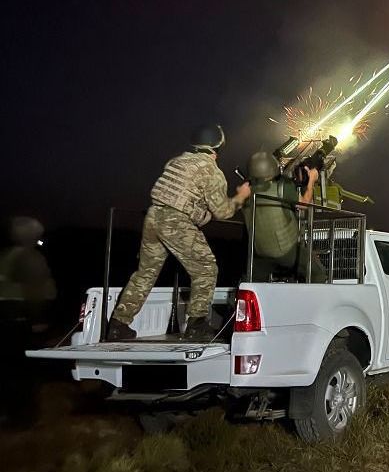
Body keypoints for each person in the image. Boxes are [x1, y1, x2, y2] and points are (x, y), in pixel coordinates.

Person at [108, 125, 251, 341]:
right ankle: (197, 325)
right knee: (206, 268)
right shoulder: (212, 171)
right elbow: (223, 212)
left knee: (145, 273)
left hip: (153, 217)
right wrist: (241, 196)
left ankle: (118, 325)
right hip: (175, 222)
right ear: (217, 148)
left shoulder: (175, 162)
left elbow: (189, 200)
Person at [0, 216, 55, 427]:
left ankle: (8, 412)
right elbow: (35, 291)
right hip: (19, 318)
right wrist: (38, 318)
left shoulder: (6, 255)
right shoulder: (30, 258)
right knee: (23, 370)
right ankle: (22, 418)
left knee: (7, 368)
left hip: (6, 317)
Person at [242, 151, 327, 282]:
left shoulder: (246, 190)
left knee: (250, 282)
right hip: (284, 249)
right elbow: (303, 204)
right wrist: (311, 181)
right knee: (317, 271)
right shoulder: (282, 186)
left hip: (258, 250)